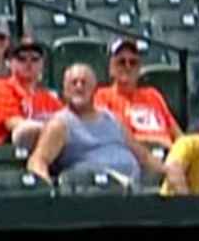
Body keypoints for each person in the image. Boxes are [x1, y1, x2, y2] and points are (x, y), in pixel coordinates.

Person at [27, 62, 160, 186]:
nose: (79, 86)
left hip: (133, 191)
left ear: (94, 89)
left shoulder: (111, 118)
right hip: (92, 194)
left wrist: (168, 171)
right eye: (74, 83)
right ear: (65, 91)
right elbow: (38, 161)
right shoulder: (60, 124)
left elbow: (144, 156)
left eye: (84, 83)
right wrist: (49, 192)